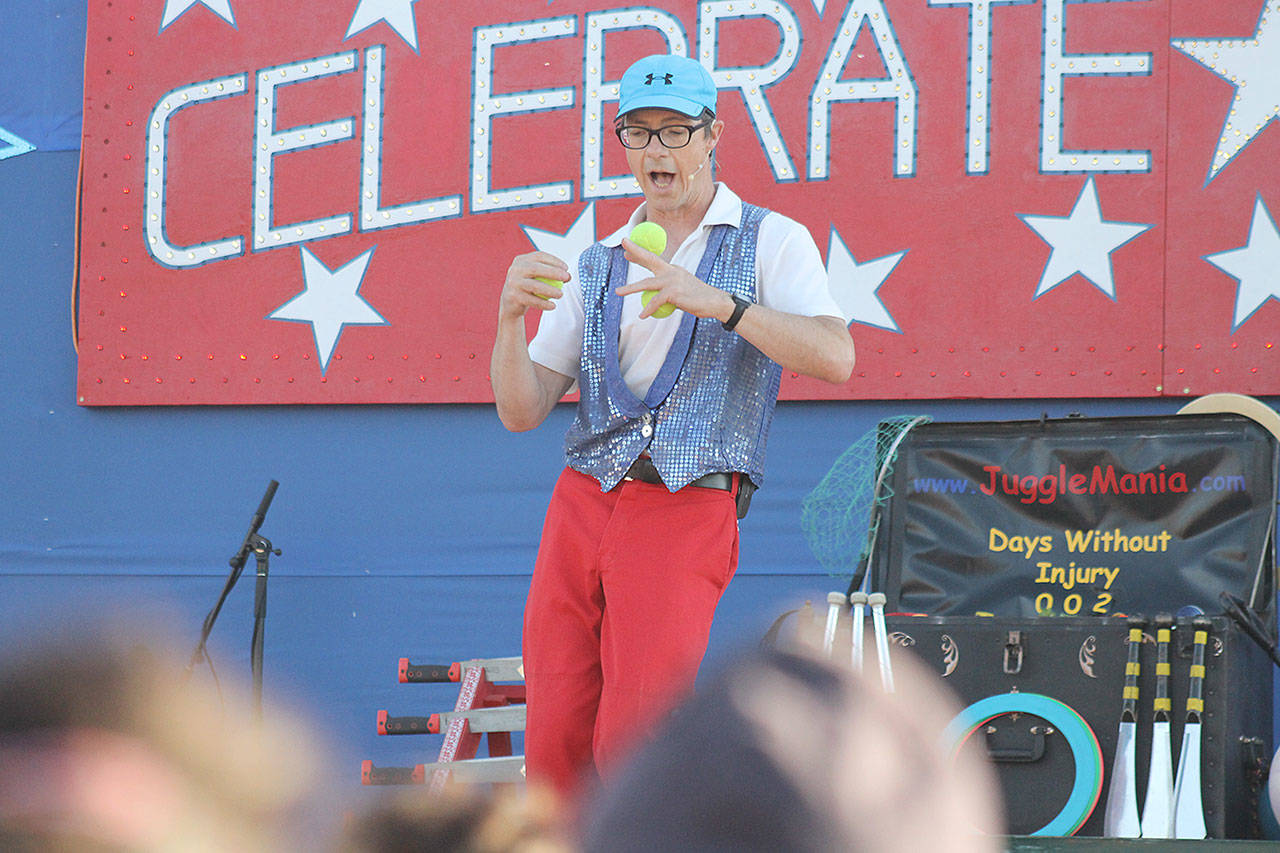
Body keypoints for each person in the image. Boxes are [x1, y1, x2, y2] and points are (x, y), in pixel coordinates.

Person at [491, 53, 855, 798]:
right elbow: (522, 409)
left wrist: (719, 302)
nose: (657, 150)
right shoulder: (597, 260)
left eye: (675, 131)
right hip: (582, 499)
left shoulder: (769, 240)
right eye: (639, 132)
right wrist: (507, 319)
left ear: (712, 134)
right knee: (555, 726)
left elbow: (836, 356)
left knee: (635, 735)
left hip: (687, 502)